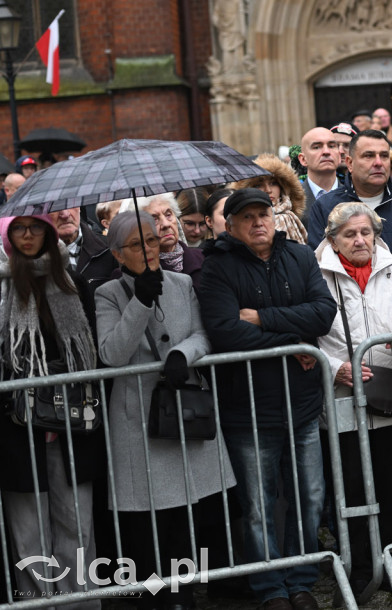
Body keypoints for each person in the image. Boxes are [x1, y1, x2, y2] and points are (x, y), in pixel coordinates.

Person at [199, 188, 335, 610]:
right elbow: (224, 331)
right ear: (232, 225)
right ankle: (271, 588)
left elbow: (323, 312)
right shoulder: (216, 267)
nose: (259, 223)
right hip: (249, 406)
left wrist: (268, 321)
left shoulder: (300, 255)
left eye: (264, 214)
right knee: (258, 506)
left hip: (302, 400)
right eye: (248, 217)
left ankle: (302, 579)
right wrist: (293, 338)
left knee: (310, 497)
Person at [95, 212, 236, 610]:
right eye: (138, 245)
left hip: (185, 410)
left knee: (187, 517)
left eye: (153, 241)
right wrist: (139, 300)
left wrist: (181, 354)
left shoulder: (183, 283)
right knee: (149, 521)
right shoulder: (108, 293)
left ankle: (185, 595)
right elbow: (113, 354)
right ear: (119, 255)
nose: (149, 250)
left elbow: (202, 334)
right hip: (139, 419)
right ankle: (154, 597)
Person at [314, 202, 392, 601]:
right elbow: (305, 335)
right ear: (332, 239)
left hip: (391, 391)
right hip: (342, 395)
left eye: (366, 233)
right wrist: (334, 366)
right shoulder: (316, 272)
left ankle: (385, 561)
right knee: (352, 488)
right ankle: (359, 568)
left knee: (390, 482)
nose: (360, 241)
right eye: (349, 235)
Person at [0, 214, 101, 608]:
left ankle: (79, 600)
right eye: (19, 229)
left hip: (72, 418)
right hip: (15, 422)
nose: (28, 236)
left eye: (36, 227)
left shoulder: (72, 283)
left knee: (75, 519)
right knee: (28, 526)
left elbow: (90, 348)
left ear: (48, 232)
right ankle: (37, 603)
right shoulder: (4, 285)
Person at [307, 130, 392, 277]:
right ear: (350, 163)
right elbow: (319, 268)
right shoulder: (325, 207)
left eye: (384, 156)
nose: (378, 163)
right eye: (368, 155)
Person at [119, 194, 204, 292]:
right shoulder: (130, 275)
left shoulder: (203, 258)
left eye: (168, 215)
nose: (166, 224)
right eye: (153, 219)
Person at [230, 153, 308, 244]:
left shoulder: (294, 217)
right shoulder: (241, 222)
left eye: (273, 183)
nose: (268, 190)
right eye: (258, 185)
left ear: (282, 186)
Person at [297, 126, 344, 227]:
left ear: (339, 156)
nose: (326, 152)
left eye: (331, 146)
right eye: (317, 147)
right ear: (303, 159)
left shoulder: (355, 197)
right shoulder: (291, 201)